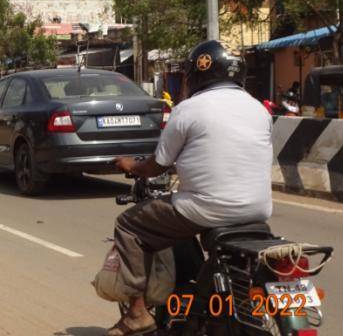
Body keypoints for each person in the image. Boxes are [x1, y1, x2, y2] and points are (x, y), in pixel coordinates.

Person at [107, 41, 272, 336]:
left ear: (196, 75)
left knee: (128, 225)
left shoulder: (188, 109)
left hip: (205, 209)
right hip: (257, 211)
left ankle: (136, 314)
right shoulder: (259, 109)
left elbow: (157, 165)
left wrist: (130, 165)